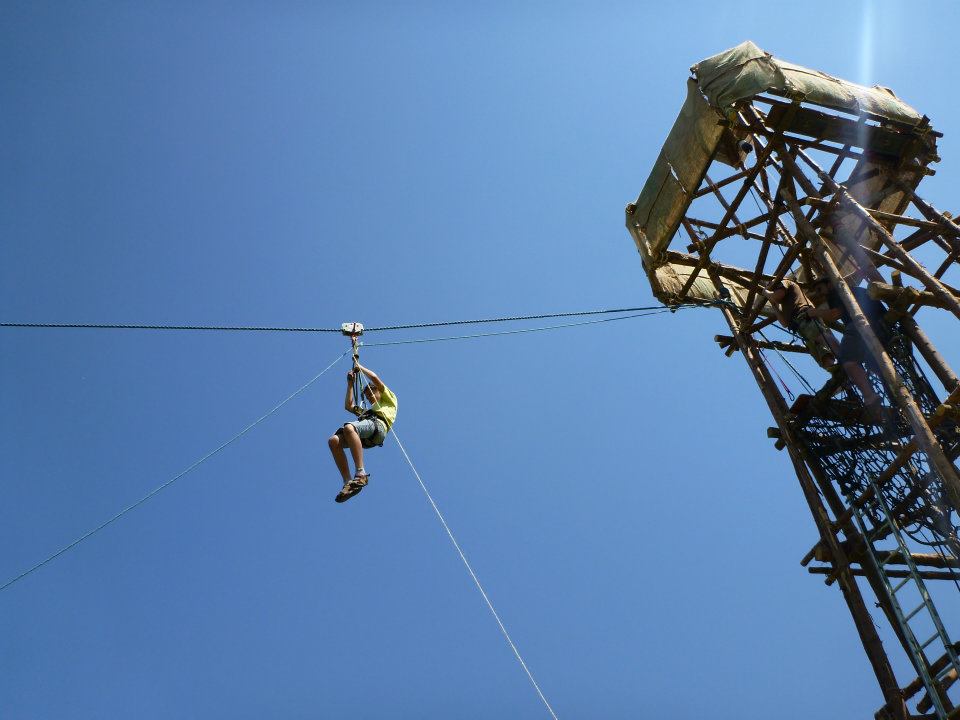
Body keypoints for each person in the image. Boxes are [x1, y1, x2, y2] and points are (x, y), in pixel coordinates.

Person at [805, 276, 889, 411]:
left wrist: (815, 312)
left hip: (862, 323)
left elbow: (834, 314)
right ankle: (891, 389)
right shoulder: (849, 290)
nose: (820, 293)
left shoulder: (835, 293)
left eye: (820, 289)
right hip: (881, 324)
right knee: (873, 365)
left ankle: (869, 396)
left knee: (848, 361)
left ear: (829, 284)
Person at [327, 363, 398, 503]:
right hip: (367, 434)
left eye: (372, 394)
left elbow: (374, 377)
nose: (370, 398)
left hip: (378, 426)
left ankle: (361, 473)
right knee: (333, 441)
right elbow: (348, 406)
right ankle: (348, 482)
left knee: (349, 428)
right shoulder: (368, 412)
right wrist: (350, 384)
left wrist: (359, 366)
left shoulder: (389, 400)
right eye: (367, 396)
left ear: (379, 392)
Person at [762, 278, 838, 369]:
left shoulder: (784, 282)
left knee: (820, 339)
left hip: (805, 317)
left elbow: (777, 295)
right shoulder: (786, 304)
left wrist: (766, 292)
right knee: (818, 352)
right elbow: (784, 323)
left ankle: (842, 360)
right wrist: (774, 305)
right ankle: (833, 369)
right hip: (799, 326)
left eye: (770, 286)